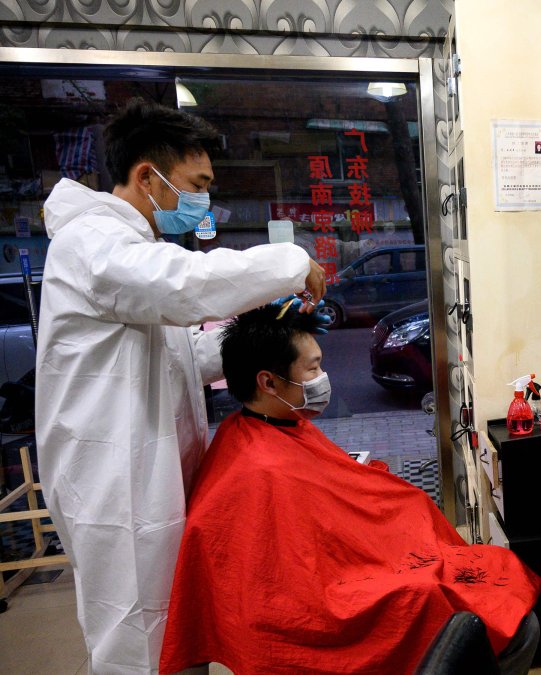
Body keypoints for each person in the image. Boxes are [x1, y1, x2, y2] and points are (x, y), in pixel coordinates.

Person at [36, 99, 326, 674]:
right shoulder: (91, 244)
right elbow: (183, 287)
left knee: (178, 630)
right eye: (196, 185)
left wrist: (266, 332)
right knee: (138, 641)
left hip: (152, 472)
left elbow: (183, 356)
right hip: (116, 484)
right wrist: (291, 262)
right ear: (149, 176)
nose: (202, 201)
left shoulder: (135, 254)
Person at [159, 306, 541, 674]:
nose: (322, 377)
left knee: (479, 567)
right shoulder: (259, 467)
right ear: (268, 381)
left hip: (359, 561)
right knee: (500, 616)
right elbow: (294, 581)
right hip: (330, 601)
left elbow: (324, 501)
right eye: (312, 369)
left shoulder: (274, 425)